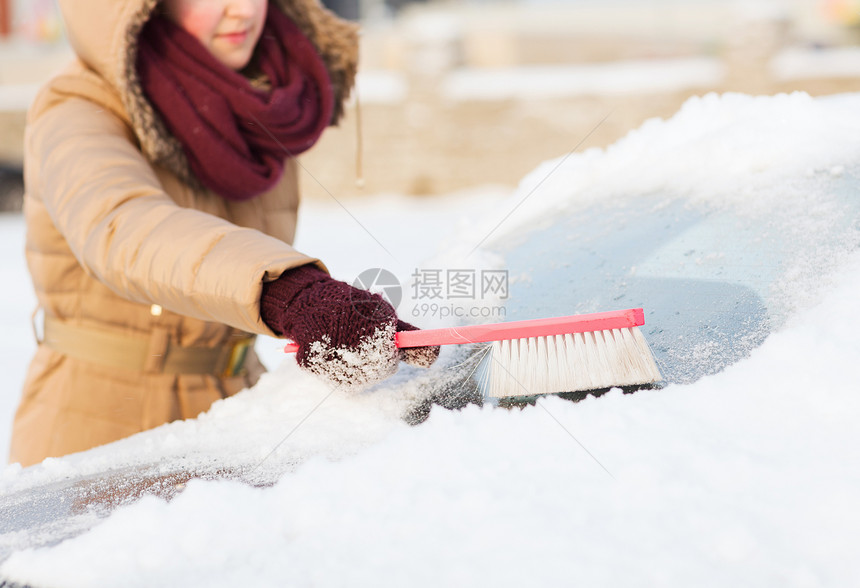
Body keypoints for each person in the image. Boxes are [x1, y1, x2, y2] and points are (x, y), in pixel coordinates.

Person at [10, 0, 438, 468]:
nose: (242, 10)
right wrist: (289, 292)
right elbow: (121, 223)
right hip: (100, 423)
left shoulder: (262, 101)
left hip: (234, 406)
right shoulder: (77, 106)